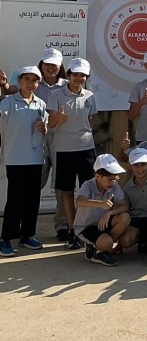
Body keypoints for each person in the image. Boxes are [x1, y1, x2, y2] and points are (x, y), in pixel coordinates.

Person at [47, 58, 98, 250]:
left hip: (86, 149)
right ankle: (72, 231)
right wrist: (58, 119)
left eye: (82, 75)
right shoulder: (55, 95)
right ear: (68, 75)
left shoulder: (90, 96)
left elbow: (90, 121)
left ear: (86, 77)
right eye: (75, 74)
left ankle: (86, 229)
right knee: (67, 192)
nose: (78, 78)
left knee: (88, 191)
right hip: (64, 150)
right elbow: (50, 124)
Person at [0, 66, 48, 258]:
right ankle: (6, 238)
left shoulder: (40, 103)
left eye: (34, 80)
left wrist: (44, 128)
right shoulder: (9, 102)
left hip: (35, 158)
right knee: (15, 200)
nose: (30, 83)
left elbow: (45, 128)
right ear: (19, 81)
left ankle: (27, 235)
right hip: (15, 158)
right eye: (26, 79)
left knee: (32, 200)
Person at [35, 48, 68, 241]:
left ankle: (62, 225)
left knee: (61, 185)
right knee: (34, 182)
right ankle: (25, 224)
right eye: (47, 64)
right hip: (37, 139)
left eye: (54, 64)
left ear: (60, 66)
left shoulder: (67, 85)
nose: (50, 68)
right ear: (41, 65)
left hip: (62, 139)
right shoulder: (34, 83)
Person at [74, 154, 131, 267]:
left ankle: (100, 250)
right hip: (86, 226)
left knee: (125, 217)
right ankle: (101, 246)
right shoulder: (88, 185)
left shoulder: (114, 185)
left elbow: (124, 206)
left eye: (115, 179)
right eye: (109, 179)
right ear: (98, 176)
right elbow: (79, 201)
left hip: (104, 222)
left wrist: (109, 213)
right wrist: (101, 204)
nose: (112, 183)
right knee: (107, 243)